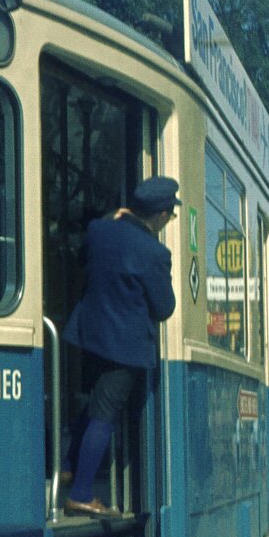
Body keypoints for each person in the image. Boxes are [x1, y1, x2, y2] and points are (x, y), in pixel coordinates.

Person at [62, 176, 179, 519]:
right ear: (159, 215)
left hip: (88, 335)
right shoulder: (155, 252)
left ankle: (69, 464)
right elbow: (164, 308)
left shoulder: (99, 230)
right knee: (104, 415)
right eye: (169, 216)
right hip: (124, 347)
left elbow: (81, 257)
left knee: (94, 404)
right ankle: (81, 493)